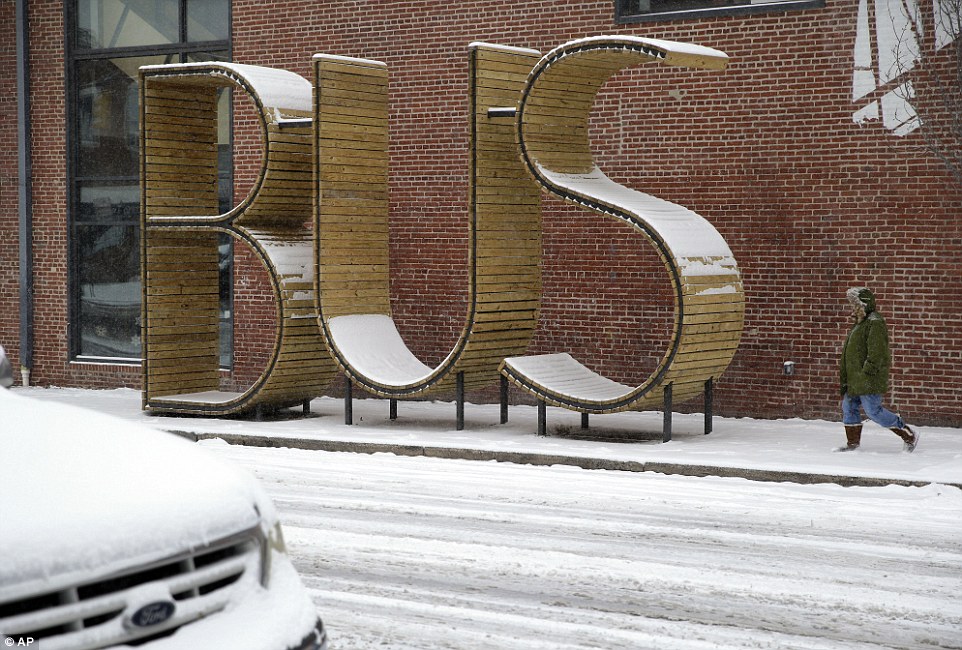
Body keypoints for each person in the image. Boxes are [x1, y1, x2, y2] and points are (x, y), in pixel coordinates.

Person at [837, 287, 919, 452]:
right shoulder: (860, 323)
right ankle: (852, 444)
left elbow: (877, 351)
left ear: (863, 304)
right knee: (849, 407)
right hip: (854, 378)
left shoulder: (875, 322)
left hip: (867, 378)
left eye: (855, 303)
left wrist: (867, 371)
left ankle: (908, 434)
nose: (852, 307)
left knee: (873, 411)